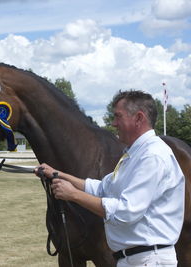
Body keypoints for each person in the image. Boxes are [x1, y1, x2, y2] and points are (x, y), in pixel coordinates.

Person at [35, 90, 185, 267]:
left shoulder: (152, 156)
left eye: (118, 117)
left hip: (148, 261)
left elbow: (125, 212)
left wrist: (73, 195)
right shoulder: (135, 154)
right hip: (134, 259)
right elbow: (102, 188)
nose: (113, 123)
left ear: (138, 118)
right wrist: (58, 174)